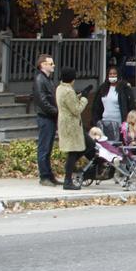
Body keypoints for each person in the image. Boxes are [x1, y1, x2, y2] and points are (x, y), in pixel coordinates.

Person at [55, 68, 93, 190]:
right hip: (71, 125)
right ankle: (68, 180)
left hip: (66, 124)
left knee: (81, 148)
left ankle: (70, 169)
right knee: (75, 151)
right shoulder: (68, 91)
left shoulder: (60, 88)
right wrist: (85, 98)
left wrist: (81, 94)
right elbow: (76, 109)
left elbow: (69, 103)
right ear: (73, 79)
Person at [32, 54, 60, 186]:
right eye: (50, 63)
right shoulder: (40, 80)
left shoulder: (47, 79)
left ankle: (49, 175)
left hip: (50, 117)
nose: (53, 65)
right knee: (44, 147)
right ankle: (44, 176)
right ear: (43, 64)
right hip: (45, 117)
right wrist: (56, 112)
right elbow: (42, 101)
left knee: (48, 147)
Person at [92, 66, 136, 141]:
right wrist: (96, 121)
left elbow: (130, 105)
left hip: (119, 124)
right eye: (110, 74)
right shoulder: (103, 88)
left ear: (118, 75)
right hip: (105, 123)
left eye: (114, 74)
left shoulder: (124, 88)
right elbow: (97, 106)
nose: (112, 75)